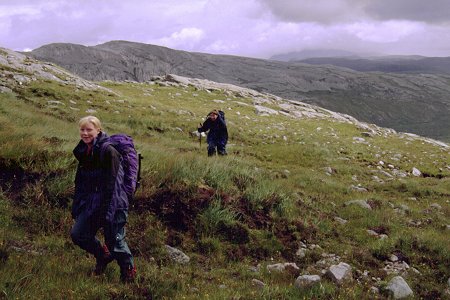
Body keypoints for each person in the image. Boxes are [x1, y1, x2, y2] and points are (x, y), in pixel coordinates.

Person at [70, 116, 136, 283]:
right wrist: (78, 204)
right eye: (82, 130)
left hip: (114, 202)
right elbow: (81, 182)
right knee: (79, 234)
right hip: (92, 202)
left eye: (89, 130)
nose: (85, 133)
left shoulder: (108, 151)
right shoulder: (84, 151)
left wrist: (107, 211)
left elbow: (113, 185)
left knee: (115, 241)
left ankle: (128, 272)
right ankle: (103, 255)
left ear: (98, 130)